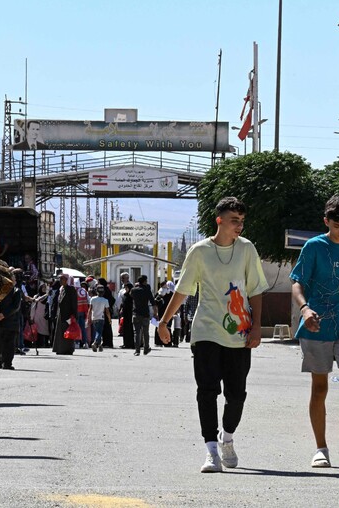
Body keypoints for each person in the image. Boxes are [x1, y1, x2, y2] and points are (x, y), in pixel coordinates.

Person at [157, 196, 268, 473]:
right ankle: (211, 451)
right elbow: (183, 290)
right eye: (234, 221)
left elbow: (254, 289)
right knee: (206, 391)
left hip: (239, 332)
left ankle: (227, 437)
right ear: (220, 221)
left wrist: (256, 327)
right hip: (206, 330)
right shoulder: (199, 251)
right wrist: (164, 321)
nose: (239, 226)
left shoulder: (246, 250)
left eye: (241, 221)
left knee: (237, 395)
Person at [289, 195, 339, 470]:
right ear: (326, 221)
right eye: (337, 225)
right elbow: (297, 283)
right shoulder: (313, 247)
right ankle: (320, 449)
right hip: (317, 325)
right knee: (320, 386)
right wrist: (305, 310)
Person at [0, 268, 22, 370]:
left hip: (11, 322)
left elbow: (15, 306)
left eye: (13, 278)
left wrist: (4, 315)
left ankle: (7, 363)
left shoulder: (16, 291)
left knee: (9, 344)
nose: (13, 280)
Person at [129, 275, 156, 356]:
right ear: (144, 281)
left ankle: (137, 350)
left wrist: (136, 286)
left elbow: (130, 294)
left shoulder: (134, 290)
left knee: (137, 333)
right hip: (145, 314)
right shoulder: (147, 290)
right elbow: (152, 301)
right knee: (145, 332)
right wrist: (155, 313)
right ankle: (146, 348)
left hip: (136, 313)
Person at [52, 274, 78, 355]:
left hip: (68, 314)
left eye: (62, 279)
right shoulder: (61, 289)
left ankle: (68, 350)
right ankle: (60, 349)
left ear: (67, 280)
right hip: (61, 314)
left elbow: (74, 303)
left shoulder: (71, 289)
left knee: (68, 332)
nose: (60, 280)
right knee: (60, 332)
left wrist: (74, 315)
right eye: (60, 279)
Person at [88, 286, 111, 352]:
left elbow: (90, 309)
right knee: (99, 332)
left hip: (94, 317)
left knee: (97, 331)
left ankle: (100, 345)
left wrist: (88, 317)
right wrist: (109, 319)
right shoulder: (105, 300)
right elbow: (107, 311)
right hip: (101, 318)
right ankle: (95, 343)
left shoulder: (92, 299)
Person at [97, 278, 116, 348]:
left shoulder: (104, 290)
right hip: (106, 310)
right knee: (106, 326)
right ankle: (107, 342)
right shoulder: (107, 289)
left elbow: (110, 300)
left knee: (106, 327)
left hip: (105, 310)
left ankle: (107, 342)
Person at [118, 282, 135, 349]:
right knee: (125, 329)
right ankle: (125, 343)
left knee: (130, 329)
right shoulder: (125, 295)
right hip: (125, 314)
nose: (125, 289)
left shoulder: (131, 296)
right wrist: (121, 308)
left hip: (130, 314)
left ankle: (130, 343)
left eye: (126, 288)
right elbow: (123, 303)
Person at [75, 278, 90, 349]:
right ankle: (85, 343)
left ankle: (77, 342)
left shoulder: (74, 291)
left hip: (76, 312)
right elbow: (88, 300)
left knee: (76, 328)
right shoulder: (84, 291)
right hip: (83, 311)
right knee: (83, 328)